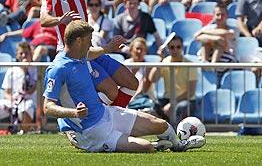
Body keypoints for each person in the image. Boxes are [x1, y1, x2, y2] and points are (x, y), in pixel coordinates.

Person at [43, 20, 205, 152]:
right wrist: (74, 113)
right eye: (89, 40)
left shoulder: (80, 55)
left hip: (107, 113)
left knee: (161, 125)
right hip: (93, 132)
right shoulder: (58, 69)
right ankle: (154, 145)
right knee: (147, 147)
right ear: (78, 41)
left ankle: (178, 145)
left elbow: (91, 53)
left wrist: (108, 48)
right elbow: (48, 107)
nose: (91, 44)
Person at [40, 0, 152, 108]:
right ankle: (91, 123)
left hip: (91, 50)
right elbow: (43, 19)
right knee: (112, 91)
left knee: (131, 83)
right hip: (75, 56)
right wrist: (59, 20)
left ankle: (105, 120)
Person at [149, 35, 198, 124]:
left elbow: (190, 92)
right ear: (168, 48)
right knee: (152, 107)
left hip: (186, 100)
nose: (175, 50)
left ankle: (176, 132)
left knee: (181, 107)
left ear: (182, 47)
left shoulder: (190, 65)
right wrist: (160, 60)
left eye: (178, 47)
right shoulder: (165, 61)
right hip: (167, 99)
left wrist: (172, 103)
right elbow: (152, 79)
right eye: (172, 47)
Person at [0, 42, 37, 133]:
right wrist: (13, 99)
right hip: (13, 101)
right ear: (17, 55)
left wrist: (25, 70)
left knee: (27, 107)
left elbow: (34, 89)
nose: (24, 55)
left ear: (31, 54)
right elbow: (6, 92)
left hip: (28, 100)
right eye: (21, 53)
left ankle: (23, 132)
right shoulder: (11, 70)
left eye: (26, 53)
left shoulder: (36, 69)